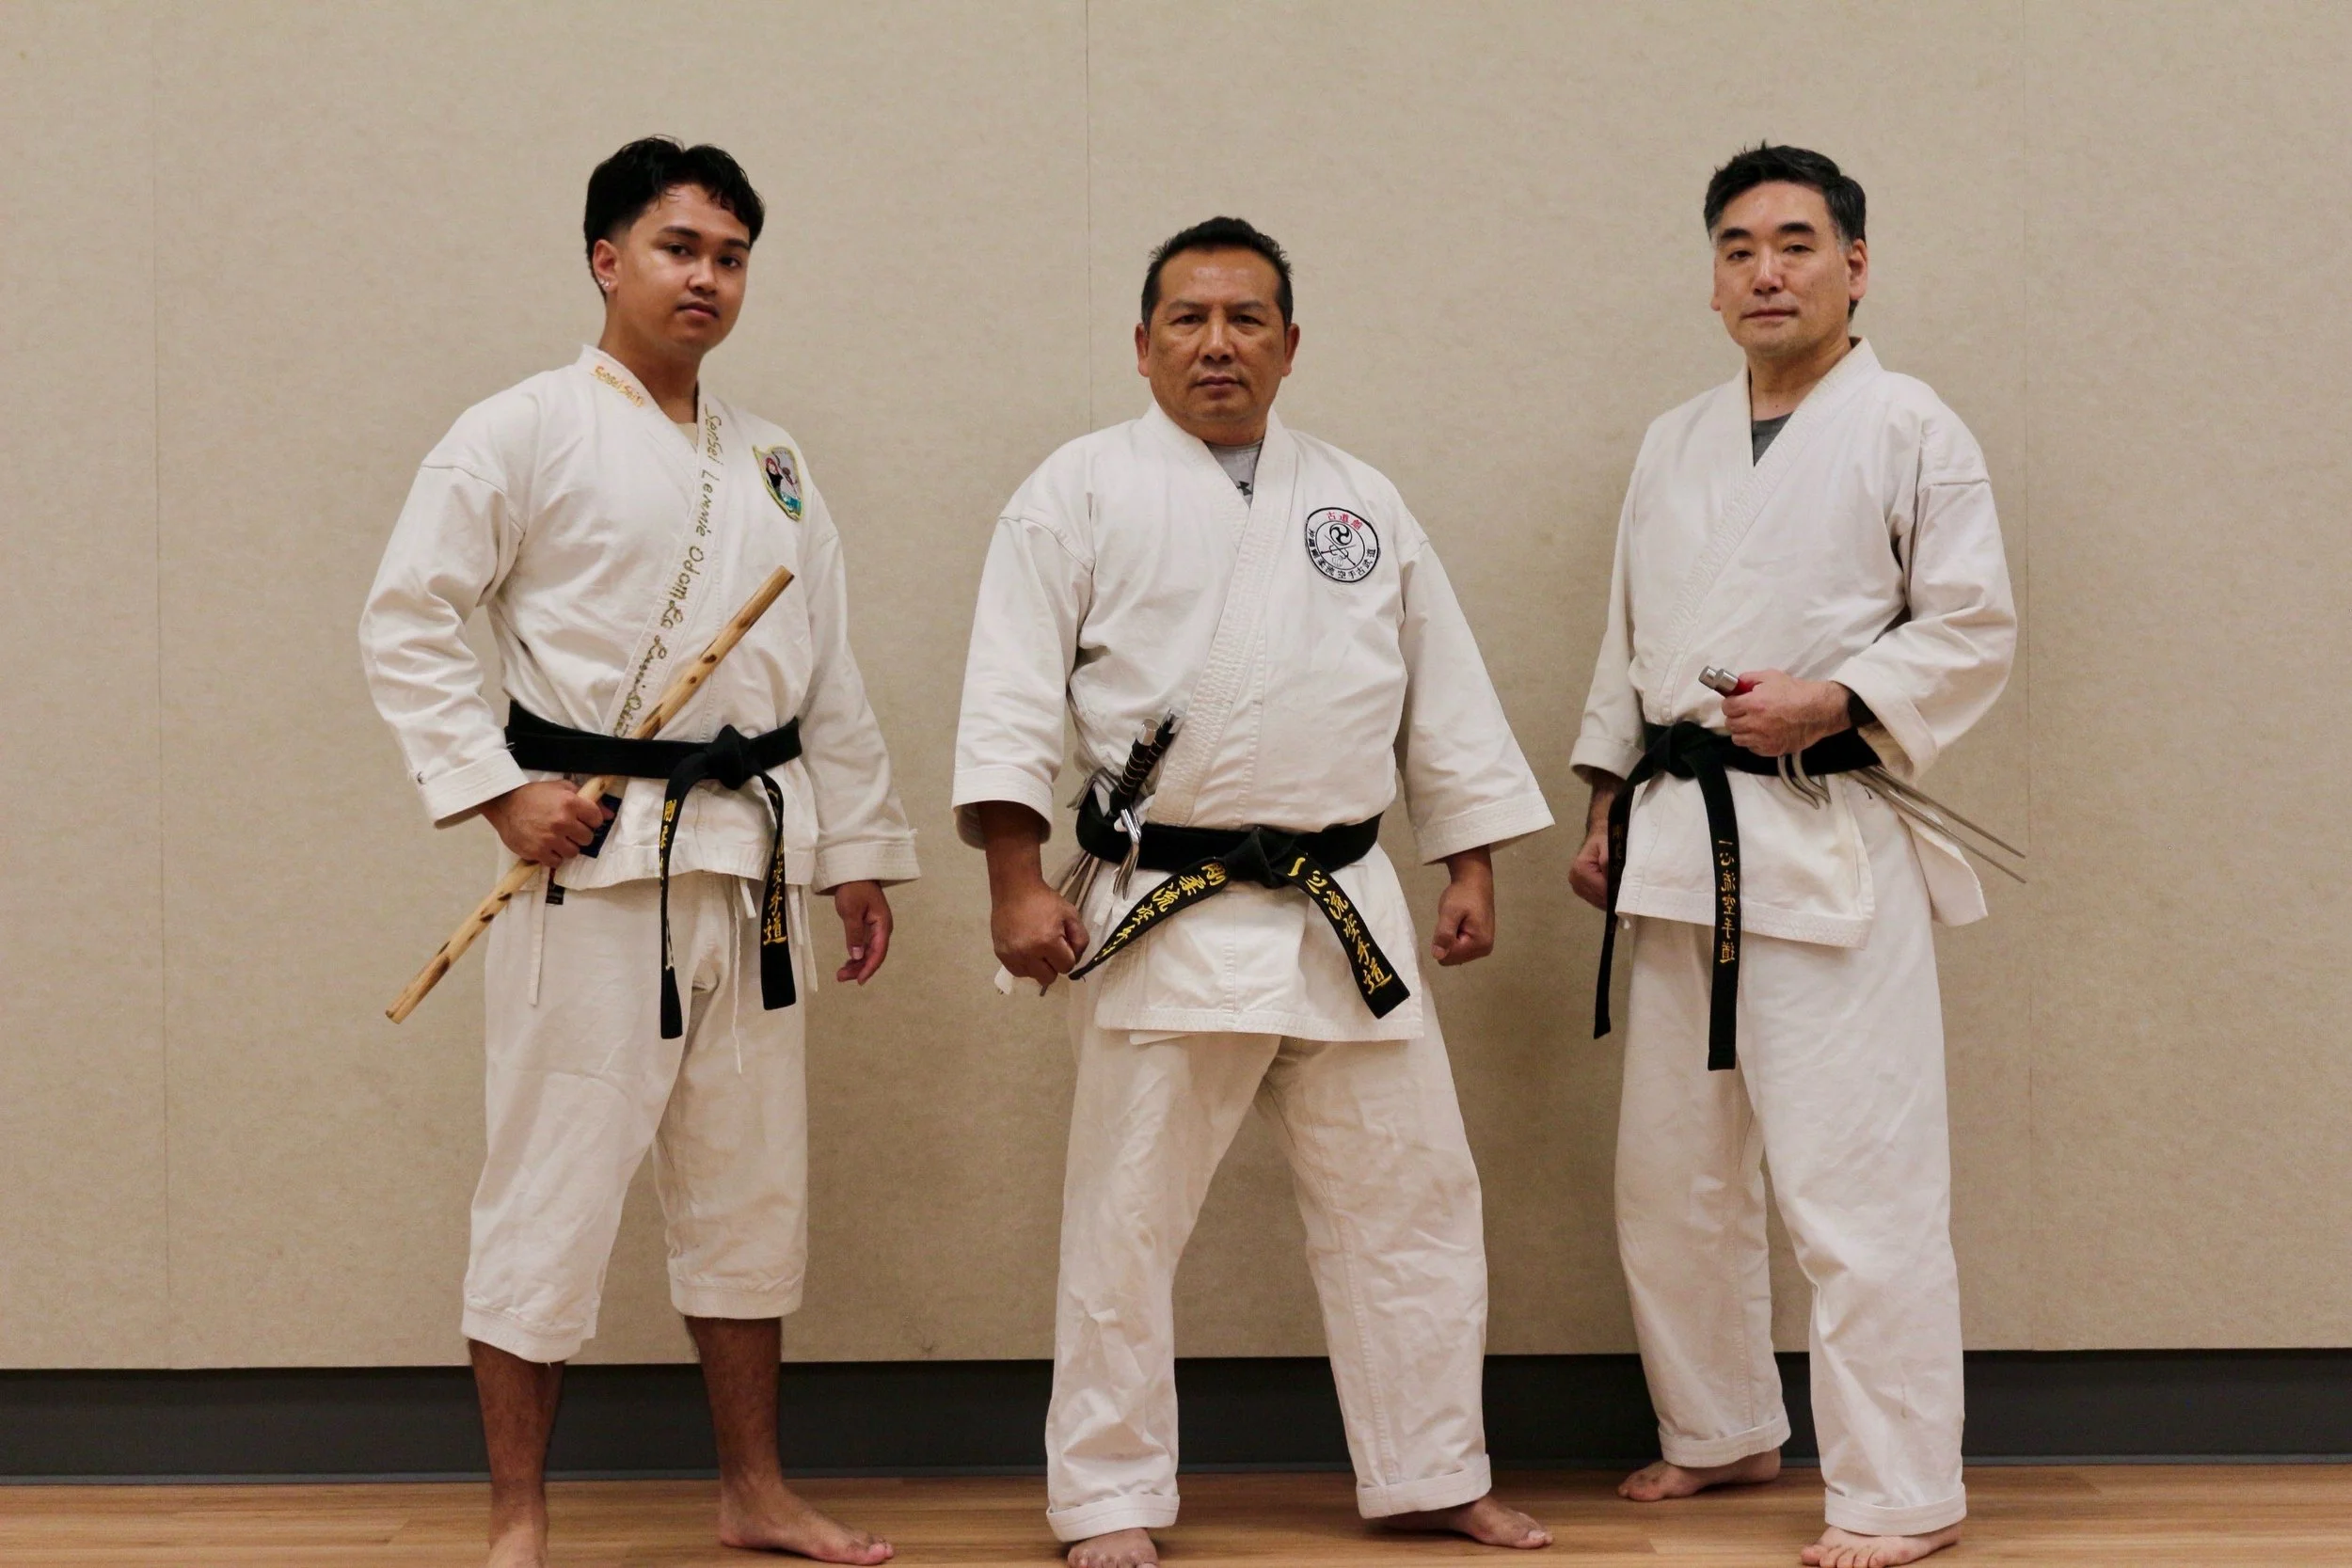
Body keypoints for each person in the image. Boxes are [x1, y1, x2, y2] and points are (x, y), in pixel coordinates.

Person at [953, 216, 1556, 1568]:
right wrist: (1011, 881)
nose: (1218, 344)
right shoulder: (1076, 490)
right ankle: (1107, 1494)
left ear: (1291, 343)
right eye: (1189, 319)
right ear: (1144, 341)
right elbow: (1005, 697)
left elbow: (1438, 691)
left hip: (1344, 902)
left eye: (1246, 320)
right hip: (1166, 908)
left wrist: (1468, 860)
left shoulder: (1359, 500)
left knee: (1412, 1198)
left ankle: (1428, 1469)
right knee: (1125, 1215)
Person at [359, 137, 915, 1568]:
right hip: (595, 866)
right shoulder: (520, 429)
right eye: (680, 248)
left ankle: (754, 1489)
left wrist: (857, 847)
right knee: (547, 1179)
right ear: (607, 259)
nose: (708, 278)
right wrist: (499, 791)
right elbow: (409, 615)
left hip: (751, 858)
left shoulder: (774, 459)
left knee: (750, 1187)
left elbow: (828, 674)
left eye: (730, 256)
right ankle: (518, 1513)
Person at [1569, 145, 2016, 1568]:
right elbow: (1628, 638)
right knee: (1672, 1169)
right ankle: (1722, 1427)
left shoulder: (1912, 425)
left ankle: (1897, 1489)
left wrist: (1839, 700)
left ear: (1856, 266)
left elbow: (1970, 623)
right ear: (1712, 281)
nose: (1767, 270)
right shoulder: (1672, 438)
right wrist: (1602, 797)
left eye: (1797, 244)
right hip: (1676, 838)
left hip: (1827, 837)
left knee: (1856, 1178)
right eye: (1739, 248)